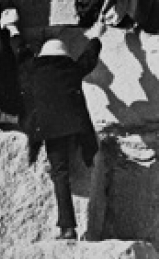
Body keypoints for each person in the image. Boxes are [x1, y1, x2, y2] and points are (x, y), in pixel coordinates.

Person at [26, 19, 106, 240]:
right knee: (83, 151)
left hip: (51, 130)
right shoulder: (71, 69)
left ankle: (68, 227)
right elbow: (89, 58)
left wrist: (12, 29)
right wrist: (97, 35)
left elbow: (20, 51)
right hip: (75, 127)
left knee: (60, 173)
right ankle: (88, 158)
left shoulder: (34, 70)